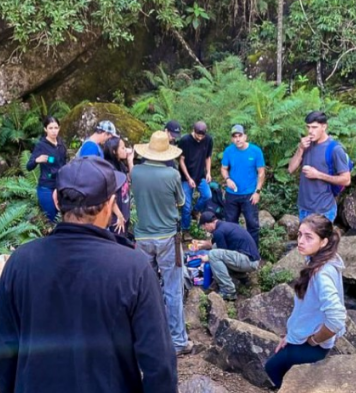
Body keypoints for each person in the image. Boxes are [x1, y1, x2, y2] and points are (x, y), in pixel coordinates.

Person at [0, 156, 178, 393]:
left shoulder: (22, 262)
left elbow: (3, 346)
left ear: (58, 202)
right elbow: (157, 360)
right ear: (110, 205)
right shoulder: (132, 267)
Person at [263, 214, 347, 388]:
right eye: (300, 235)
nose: (300, 241)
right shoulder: (325, 259)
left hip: (313, 345)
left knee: (272, 368)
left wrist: (315, 340)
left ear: (323, 242)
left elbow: (337, 318)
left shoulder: (321, 274)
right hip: (303, 337)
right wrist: (291, 335)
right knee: (280, 369)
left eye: (308, 237)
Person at [132, 131, 191, 356]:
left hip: (142, 237)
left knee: (145, 289)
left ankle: (146, 335)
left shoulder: (135, 172)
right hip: (167, 237)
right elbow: (181, 202)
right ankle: (177, 339)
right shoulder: (172, 174)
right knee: (172, 289)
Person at [287, 111, 351, 222]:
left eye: (314, 127)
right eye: (308, 127)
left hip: (323, 210)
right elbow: (290, 169)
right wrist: (300, 149)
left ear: (324, 127)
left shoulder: (335, 149)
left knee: (322, 240)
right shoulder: (305, 145)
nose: (310, 131)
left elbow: (346, 180)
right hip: (304, 208)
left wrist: (318, 175)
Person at [194, 211, 260, 301]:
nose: (205, 230)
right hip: (251, 258)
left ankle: (228, 291)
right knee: (215, 249)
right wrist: (203, 245)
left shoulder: (219, 232)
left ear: (207, 224)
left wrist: (206, 258)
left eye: (204, 227)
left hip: (249, 261)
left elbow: (220, 253)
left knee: (213, 254)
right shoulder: (224, 226)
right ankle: (239, 274)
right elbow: (217, 246)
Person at [221, 124, 265, 247]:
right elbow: (224, 168)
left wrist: (257, 192)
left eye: (240, 136)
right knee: (230, 224)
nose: (237, 139)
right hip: (232, 194)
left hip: (249, 195)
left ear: (245, 136)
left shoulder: (255, 151)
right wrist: (227, 179)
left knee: (252, 225)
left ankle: (253, 253)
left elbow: (261, 172)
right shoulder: (229, 151)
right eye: (235, 137)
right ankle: (233, 251)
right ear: (232, 139)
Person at [26, 116, 68, 222]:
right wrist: (36, 160)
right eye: (50, 128)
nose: (54, 131)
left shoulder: (61, 143)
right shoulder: (41, 145)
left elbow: (64, 163)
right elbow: (29, 166)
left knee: (65, 217)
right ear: (45, 129)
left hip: (61, 186)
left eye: (56, 128)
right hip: (46, 187)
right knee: (53, 219)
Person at [178, 121, 213, 239]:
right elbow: (181, 160)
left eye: (202, 136)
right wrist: (188, 178)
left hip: (200, 175)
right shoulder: (185, 140)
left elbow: (208, 157)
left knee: (208, 195)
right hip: (186, 176)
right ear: (193, 130)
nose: (200, 138)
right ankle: (185, 229)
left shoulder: (208, 140)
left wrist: (208, 172)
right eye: (198, 135)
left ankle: (196, 210)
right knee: (186, 205)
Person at [103, 136, 134, 237]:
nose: (126, 150)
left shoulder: (120, 164)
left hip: (124, 212)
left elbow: (131, 179)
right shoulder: (109, 170)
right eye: (123, 148)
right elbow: (109, 195)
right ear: (114, 151)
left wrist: (130, 161)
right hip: (116, 219)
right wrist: (119, 216)